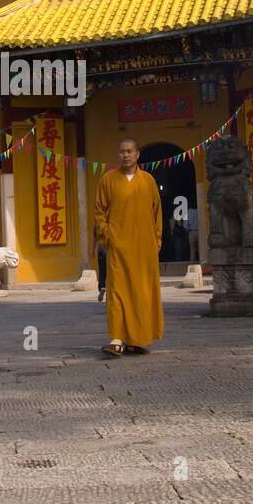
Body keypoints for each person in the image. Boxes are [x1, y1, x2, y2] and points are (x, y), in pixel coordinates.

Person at [93, 137, 164, 357]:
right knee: (118, 292)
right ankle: (117, 339)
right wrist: (107, 236)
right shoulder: (108, 180)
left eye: (130, 151)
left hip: (144, 247)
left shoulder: (148, 181)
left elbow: (157, 213)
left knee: (142, 292)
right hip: (119, 246)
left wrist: (157, 241)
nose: (125, 155)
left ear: (137, 154)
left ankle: (137, 339)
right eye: (122, 151)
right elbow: (99, 212)